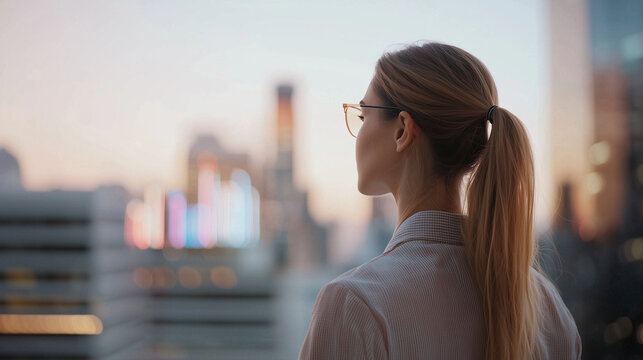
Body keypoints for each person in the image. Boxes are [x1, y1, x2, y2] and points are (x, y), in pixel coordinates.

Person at [298, 41, 582, 360]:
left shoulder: (354, 305)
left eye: (364, 116)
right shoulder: (545, 306)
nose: (358, 132)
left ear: (402, 130)